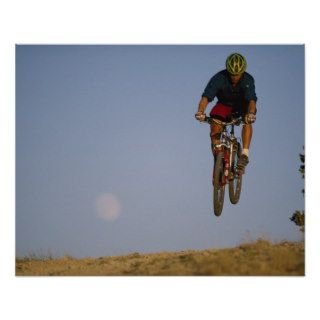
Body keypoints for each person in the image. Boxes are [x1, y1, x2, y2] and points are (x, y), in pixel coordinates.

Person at [195, 53, 257, 173]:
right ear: (227, 71)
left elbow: (252, 101)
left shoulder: (248, 80)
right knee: (214, 124)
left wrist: (251, 114)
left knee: (247, 121)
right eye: (232, 74)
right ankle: (218, 158)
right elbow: (205, 98)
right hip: (224, 105)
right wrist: (201, 112)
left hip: (242, 105)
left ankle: (244, 154)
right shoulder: (219, 78)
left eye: (237, 74)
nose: (235, 77)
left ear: (242, 71)